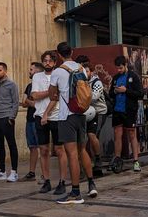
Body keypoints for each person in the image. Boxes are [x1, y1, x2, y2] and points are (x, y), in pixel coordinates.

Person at [41, 42, 98, 204]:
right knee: (82, 150)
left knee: (71, 153)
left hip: (66, 116)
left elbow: (53, 95)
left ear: (58, 55)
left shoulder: (58, 71)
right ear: (71, 52)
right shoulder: (80, 68)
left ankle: (75, 192)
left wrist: (58, 91)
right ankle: (91, 183)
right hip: (81, 113)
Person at [31, 51, 68, 195]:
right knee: (44, 149)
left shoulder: (58, 74)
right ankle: (46, 180)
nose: (47, 63)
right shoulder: (37, 76)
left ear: (54, 62)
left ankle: (62, 181)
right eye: (45, 60)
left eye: (50, 60)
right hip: (39, 116)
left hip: (57, 116)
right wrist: (50, 91)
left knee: (59, 150)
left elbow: (57, 97)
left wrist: (49, 95)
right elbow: (34, 95)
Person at [109, 55, 144, 173]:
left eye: (120, 68)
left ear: (125, 65)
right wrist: (114, 91)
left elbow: (140, 94)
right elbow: (110, 94)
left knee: (132, 134)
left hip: (129, 110)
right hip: (117, 110)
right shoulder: (115, 78)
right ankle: (117, 160)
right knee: (117, 134)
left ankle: (136, 161)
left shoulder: (133, 77)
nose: (119, 70)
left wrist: (126, 90)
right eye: (117, 68)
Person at [0, 62, 20, 182]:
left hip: (7, 118)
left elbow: (16, 102)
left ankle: (14, 172)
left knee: (11, 145)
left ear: (5, 71)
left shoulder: (12, 85)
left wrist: (11, 117)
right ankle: (1, 171)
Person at [20, 62, 43, 182]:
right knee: (32, 147)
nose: (29, 71)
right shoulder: (29, 86)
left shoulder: (42, 85)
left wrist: (29, 101)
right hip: (29, 119)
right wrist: (30, 101)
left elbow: (35, 104)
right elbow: (24, 102)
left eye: (31, 70)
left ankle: (45, 174)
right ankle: (31, 172)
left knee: (43, 147)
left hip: (38, 119)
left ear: (38, 72)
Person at [85, 61, 108, 176]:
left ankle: (98, 161)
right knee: (89, 137)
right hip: (88, 112)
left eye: (87, 71)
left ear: (91, 71)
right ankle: (90, 162)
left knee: (93, 135)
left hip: (99, 112)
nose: (85, 73)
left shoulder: (96, 82)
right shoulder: (82, 82)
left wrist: (83, 95)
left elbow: (94, 97)